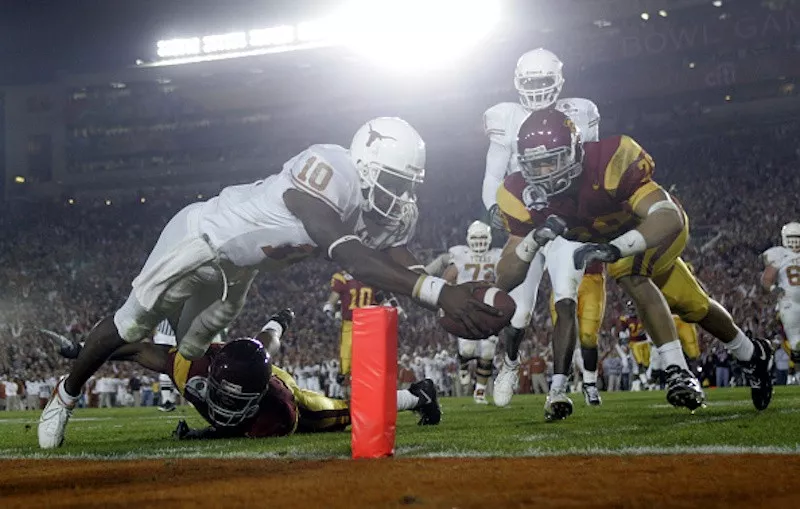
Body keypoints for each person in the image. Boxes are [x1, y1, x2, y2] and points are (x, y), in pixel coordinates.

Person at [38, 117, 500, 449]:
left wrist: (441, 300)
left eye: (409, 187)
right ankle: (65, 396)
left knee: (193, 350)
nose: (401, 198)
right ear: (364, 168)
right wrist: (439, 293)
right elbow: (346, 252)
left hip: (238, 271)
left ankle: (197, 394)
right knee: (133, 324)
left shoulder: (389, 212)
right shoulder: (329, 169)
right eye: (394, 184)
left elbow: (398, 257)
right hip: (200, 238)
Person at [494, 107, 773, 416]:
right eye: (535, 165)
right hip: (615, 243)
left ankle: (677, 371)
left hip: (652, 232)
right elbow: (505, 277)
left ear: (575, 151)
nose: (544, 173)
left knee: (628, 271)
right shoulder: (519, 193)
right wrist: (533, 240)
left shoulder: (610, 160)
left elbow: (668, 216)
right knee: (692, 305)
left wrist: (619, 248)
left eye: (552, 160)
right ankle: (752, 353)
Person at [48, 309, 441, 439]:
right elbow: (133, 349)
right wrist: (84, 354)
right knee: (263, 341)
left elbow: (233, 428)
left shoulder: (279, 412)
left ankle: (419, 396)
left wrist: (203, 433)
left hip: (277, 383)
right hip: (235, 359)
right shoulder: (193, 367)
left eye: (238, 402)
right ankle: (278, 319)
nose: (226, 406)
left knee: (352, 413)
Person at [482, 48, 606, 416]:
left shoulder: (580, 112)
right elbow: (493, 173)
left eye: (543, 81)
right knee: (520, 311)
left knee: (566, 298)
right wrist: (493, 207)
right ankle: (509, 360)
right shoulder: (505, 117)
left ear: (559, 82)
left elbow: (594, 166)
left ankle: (558, 388)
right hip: (526, 217)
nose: (536, 90)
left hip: (567, 218)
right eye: (530, 82)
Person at [426, 221, 502, 403]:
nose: (479, 241)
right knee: (468, 349)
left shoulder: (497, 255)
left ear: (489, 238)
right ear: (468, 239)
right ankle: (462, 363)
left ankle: (480, 392)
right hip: (466, 307)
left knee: (488, 351)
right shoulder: (460, 254)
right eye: (476, 238)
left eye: (483, 237)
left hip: (488, 308)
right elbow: (447, 277)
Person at [761, 222, 800, 361]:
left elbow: (766, 279)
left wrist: (773, 289)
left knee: (795, 343)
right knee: (795, 344)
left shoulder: (779, 254)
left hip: (789, 301)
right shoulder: (779, 255)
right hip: (789, 300)